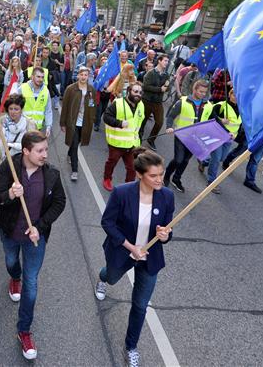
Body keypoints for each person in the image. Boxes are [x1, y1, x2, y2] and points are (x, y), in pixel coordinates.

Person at [94, 148, 174, 367]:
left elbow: (168, 231)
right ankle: (102, 278)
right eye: (153, 175)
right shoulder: (122, 193)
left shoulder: (167, 196)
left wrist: (164, 235)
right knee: (111, 277)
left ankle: (131, 347)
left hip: (150, 259)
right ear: (140, 175)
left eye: (162, 174)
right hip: (123, 252)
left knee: (140, 306)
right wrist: (130, 246)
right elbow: (107, 223)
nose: (160, 180)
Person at [0, 130, 66, 361]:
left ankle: (24, 331)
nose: (45, 154)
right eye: (40, 150)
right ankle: (14, 277)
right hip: (10, 232)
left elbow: (59, 203)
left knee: (31, 285)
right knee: (11, 262)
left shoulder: (51, 174)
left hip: (35, 239)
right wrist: (11, 195)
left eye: (46, 149)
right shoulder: (10, 167)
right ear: (26, 151)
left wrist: (40, 226)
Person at [164, 79, 211, 193]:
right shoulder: (183, 101)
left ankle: (176, 179)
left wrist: (225, 131)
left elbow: (215, 120)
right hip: (182, 135)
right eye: (200, 91)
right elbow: (171, 116)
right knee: (178, 159)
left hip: (195, 138)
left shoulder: (208, 105)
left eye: (205, 92)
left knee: (185, 160)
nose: (203, 94)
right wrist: (169, 126)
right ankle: (166, 175)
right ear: (194, 89)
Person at [103, 82, 145, 191]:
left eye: (140, 92)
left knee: (132, 168)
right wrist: (119, 123)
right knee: (111, 163)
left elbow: (139, 124)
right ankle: (107, 179)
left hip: (132, 144)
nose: (138, 94)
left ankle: (128, 186)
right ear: (129, 91)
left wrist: (139, 140)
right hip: (117, 143)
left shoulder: (141, 105)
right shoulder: (118, 103)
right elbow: (106, 117)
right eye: (135, 91)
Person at [60, 66, 97, 182]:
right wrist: (63, 123)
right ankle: (74, 170)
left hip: (85, 123)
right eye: (81, 74)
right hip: (73, 122)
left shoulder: (91, 90)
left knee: (78, 142)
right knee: (75, 145)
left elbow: (93, 105)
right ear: (78, 75)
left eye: (86, 75)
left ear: (88, 76)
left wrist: (92, 119)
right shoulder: (71, 89)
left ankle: (70, 153)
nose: (83, 77)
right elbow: (65, 106)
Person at [204, 89, 242, 194]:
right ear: (229, 95)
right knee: (216, 158)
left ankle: (204, 162)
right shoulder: (221, 105)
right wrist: (221, 120)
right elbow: (211, 116)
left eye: (238, 95)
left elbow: (239, 125)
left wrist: (237, 136)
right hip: (218, 135)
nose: (235, 97)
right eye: (233, 94)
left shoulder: (241, 109)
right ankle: (211, 182)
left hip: (230, 138)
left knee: (222, 158)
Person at [0, 94, 37, 177]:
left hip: (21, 166)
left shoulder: (29, 124)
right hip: (3, 164)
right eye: (10, 109)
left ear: (21, 109)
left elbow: (33, 146)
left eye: (16, 109)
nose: (13, 112)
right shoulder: (1, 121)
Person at [140, 55, 170, 150]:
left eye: (167, 61)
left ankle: (151, 139)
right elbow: (145, 87)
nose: (167, 62)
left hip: (158, 102)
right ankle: (139, 136)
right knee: (142, 121)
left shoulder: (166, 75)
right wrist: (159, 89)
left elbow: (167, 87)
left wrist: (167, 87)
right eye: (165, 60)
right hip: (147, 101)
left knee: (159, 122)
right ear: (159, 61)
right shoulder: (150, 73)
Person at [20, 67, 53, 137]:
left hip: (37, 128)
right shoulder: (22, 88)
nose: (40, 79)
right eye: (38, 77)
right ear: (32, 77)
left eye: (42, 77)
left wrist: (48, 127)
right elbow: (13, 106)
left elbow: (48, 111)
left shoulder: (46, 91)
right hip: (23, 127)